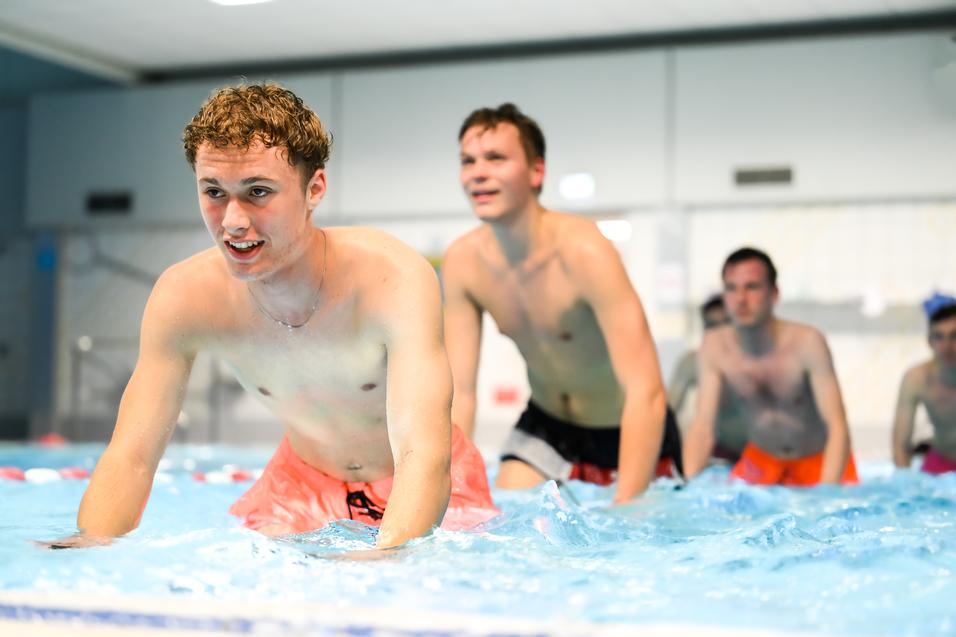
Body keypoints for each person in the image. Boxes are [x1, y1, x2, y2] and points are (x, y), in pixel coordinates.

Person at [46, 83, 497, 550]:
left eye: (257, 192)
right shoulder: (185, 297)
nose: (233, 221)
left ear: (314, 189)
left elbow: (423, 455)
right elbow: (132, 455)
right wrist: (88, 543)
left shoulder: (391, 278)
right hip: (298, 483)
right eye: (214, 192)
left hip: (420, 477)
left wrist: (386, 556)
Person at [442, 103, 681, 504]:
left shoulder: (585, 252)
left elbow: (647, 392)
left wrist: (628, 507)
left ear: (536, 171)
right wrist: (448, 488)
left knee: (637, 527)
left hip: (626, 426)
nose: (478, 172)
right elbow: (460, 393)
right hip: (548, 425)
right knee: (507, 514)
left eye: (496, 158)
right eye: (468, 161)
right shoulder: (463, 263)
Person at [683, 247, 857, 486]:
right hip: (761, 461)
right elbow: (702, 427)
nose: (741, 299)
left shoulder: (807, 342)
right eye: (731, 288)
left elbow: (837, 427)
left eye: (752, 287)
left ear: (774, 294)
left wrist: (827, 491)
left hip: (818, 460)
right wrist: (685, 486)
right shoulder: (714, 346)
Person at [667, 295, 747, 462]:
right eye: (712, 325)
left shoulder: (760, 361)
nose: (719, 332)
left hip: (763, 452)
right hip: (720, 452)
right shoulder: (692, 362)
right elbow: (667, 412)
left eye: (726, 323)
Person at [891, 294, 956, 474]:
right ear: (929, 341)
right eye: (939, 337)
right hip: (941, 462)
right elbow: (900, 444)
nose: (947, 346)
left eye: (954, 336)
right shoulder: (917, 379)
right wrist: (904, 482)